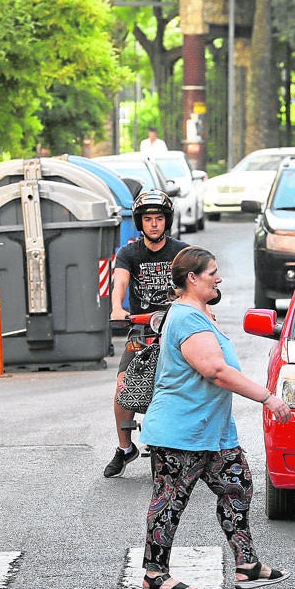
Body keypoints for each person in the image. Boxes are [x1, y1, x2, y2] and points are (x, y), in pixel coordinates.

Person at [138, 247, 293, 589]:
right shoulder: (187, 318)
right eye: (212, 273)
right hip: (181, 430)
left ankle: (247, 566)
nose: (219, 278)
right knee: (170, 499)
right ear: (192, 279)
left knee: (238, 487)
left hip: (212, 431)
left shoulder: (202, 312)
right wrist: (267, 397)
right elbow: (216, 371)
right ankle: (154, 575)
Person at [105, 190, 189, 478]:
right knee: (123, 387)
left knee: (201, 378)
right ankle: (125, 446)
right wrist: (118, 308)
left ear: (168, 221)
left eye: (159, 219)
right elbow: (120, 282)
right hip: (141, 329)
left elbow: (195, 284)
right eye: (148, 219)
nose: (154, 224)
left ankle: (201, 444)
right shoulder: (129, 253)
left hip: (178, 328)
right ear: (140, 223)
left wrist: (204, 309)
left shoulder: (182, 252)